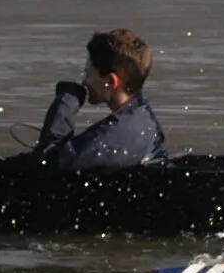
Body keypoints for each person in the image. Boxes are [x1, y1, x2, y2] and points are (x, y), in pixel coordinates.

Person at [30, 29, 167, 171]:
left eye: (89, 73)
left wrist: (67, 100)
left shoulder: (120, 132)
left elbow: (48, 164)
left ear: (111, 81)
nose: (84, 81)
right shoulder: (141, 120)